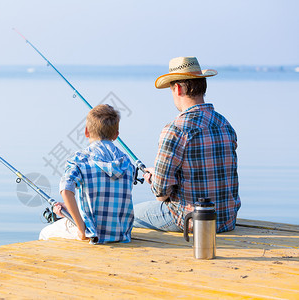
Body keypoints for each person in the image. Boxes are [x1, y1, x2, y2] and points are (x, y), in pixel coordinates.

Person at [134, 56, 241, 233]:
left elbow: (161, 194)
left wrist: (154, 178)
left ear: (177, 88)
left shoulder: (175, 130)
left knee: (127, 214)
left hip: (192, 221)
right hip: (226, 219)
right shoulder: (224, 123)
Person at [39, 104, 135, 244]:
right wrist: (70, 211)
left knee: (45, 233)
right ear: (116, 135)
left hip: (92, 233)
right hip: (122, 235)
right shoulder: (127, 162)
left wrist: (81, 229)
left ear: (86, 132)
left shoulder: (79, 159)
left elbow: (66, 190)